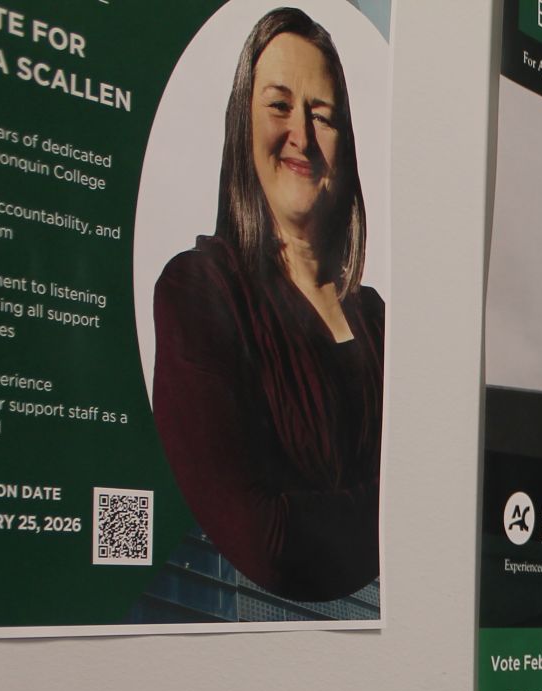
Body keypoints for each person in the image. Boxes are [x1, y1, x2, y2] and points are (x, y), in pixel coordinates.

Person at [153, 7, 383, 602]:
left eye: (323, 116)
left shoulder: (384, 324)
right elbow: (265, 540)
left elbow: (436, 508)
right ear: (241, 122)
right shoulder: (199, 294)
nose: (302, 136)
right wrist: (387, 503)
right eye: (279, 106)